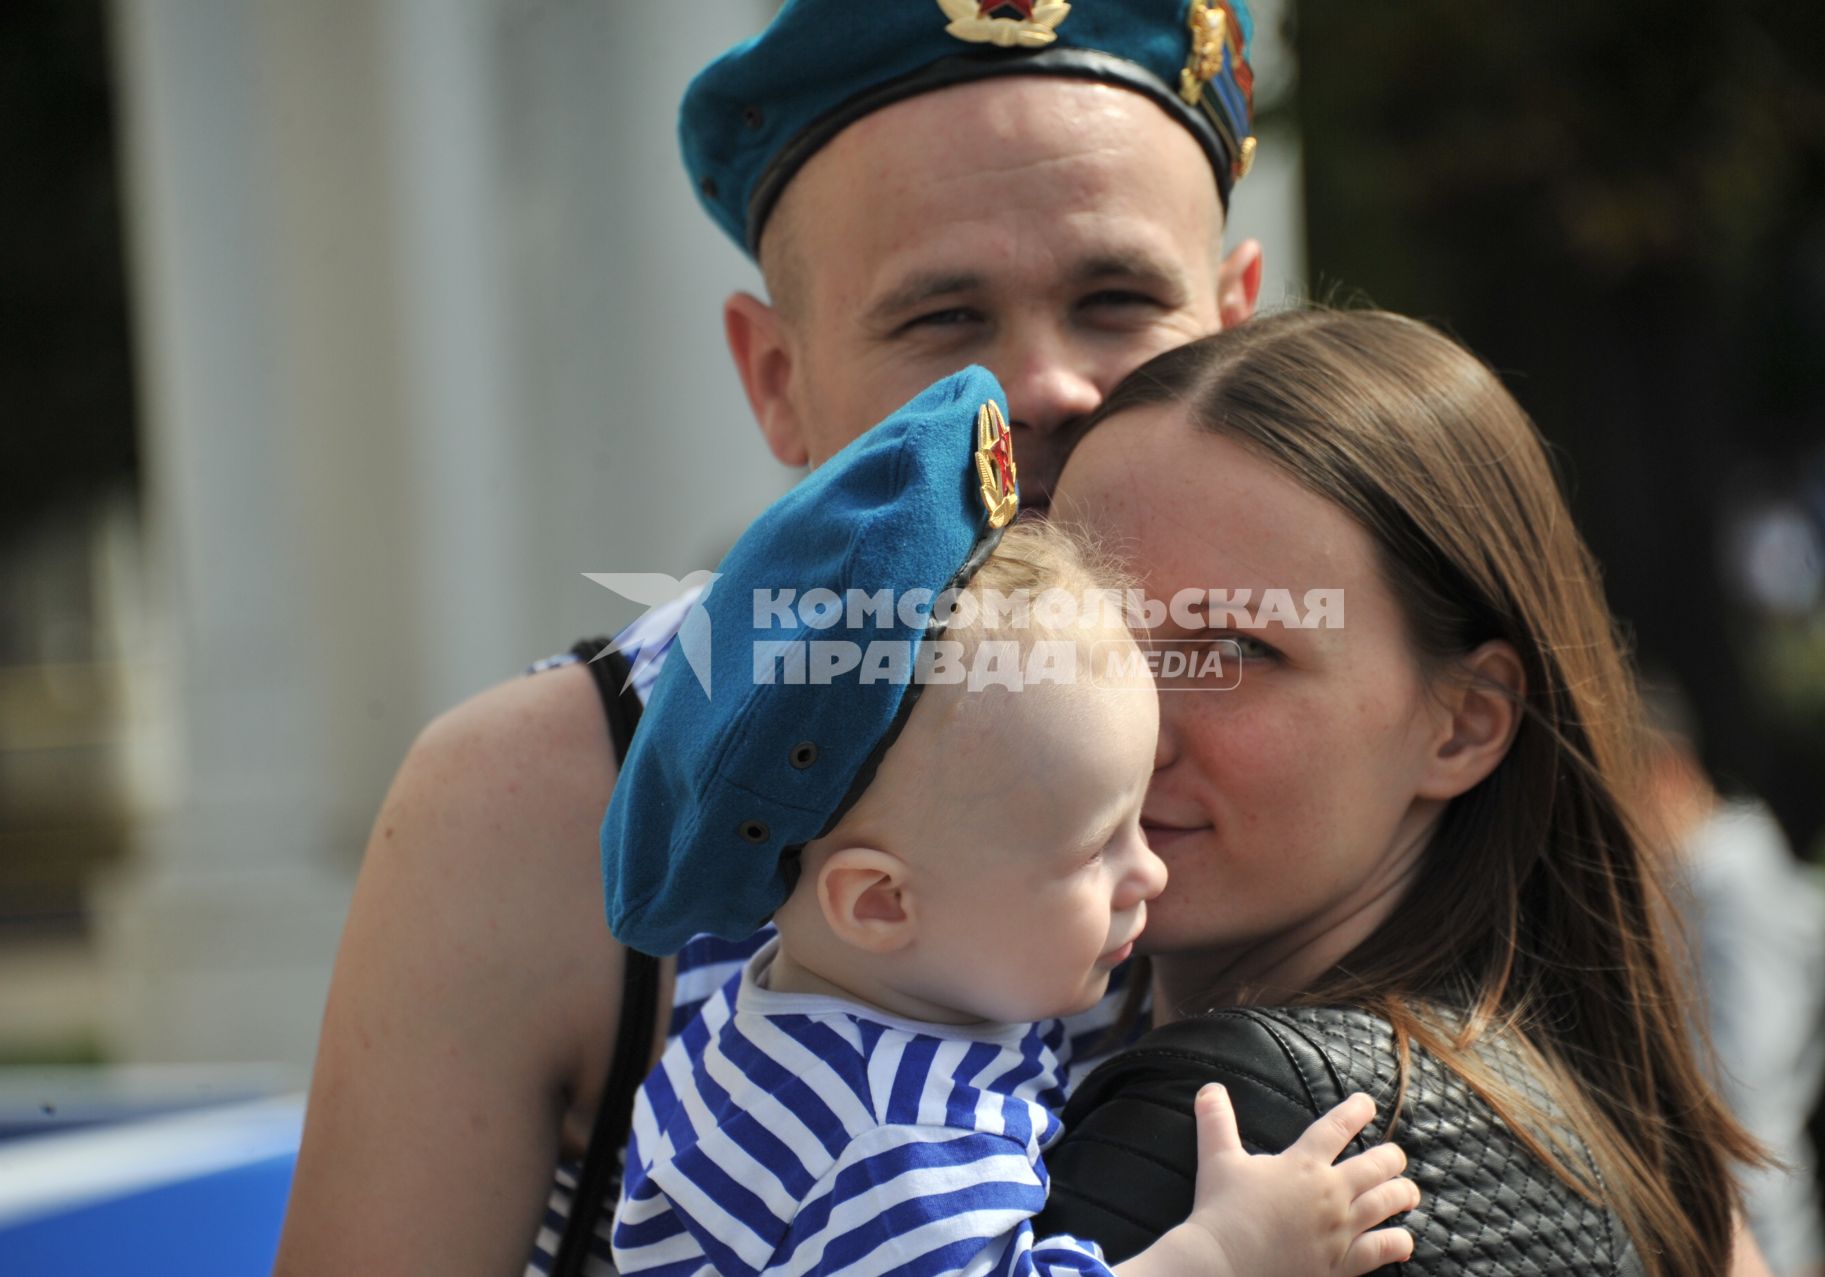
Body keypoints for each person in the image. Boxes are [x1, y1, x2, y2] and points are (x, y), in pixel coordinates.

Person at [272, 4, 1263, 1275]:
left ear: (1235, 325)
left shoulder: (1338, 719)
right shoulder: (531, 799)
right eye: (942, 321)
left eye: (1117, 298)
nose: (1045, 383)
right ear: (776, 378)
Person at [600, 366, 1417, 1277]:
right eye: (1094, 847)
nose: (1145, 873)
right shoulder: (902, 1137)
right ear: (878, 903)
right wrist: (1229, 1251)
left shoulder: (772, 1017)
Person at [1023, 308, 1769, 1277]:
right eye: (1084, 632)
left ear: (1464, 721)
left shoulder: (1242, 1143)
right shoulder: (1587, 1122)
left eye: (1238, 648)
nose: (1127, 721)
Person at [1640, 681, 1825, 1277]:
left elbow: (1747, 1094)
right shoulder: (1690, 871)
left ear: (1668, 769)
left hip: (1759, 1236)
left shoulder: (1732, 873)